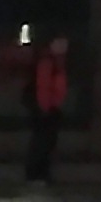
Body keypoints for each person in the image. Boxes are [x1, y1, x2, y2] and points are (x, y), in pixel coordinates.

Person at [25, 36, 70, 184]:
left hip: (52, 107)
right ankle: (36, 173)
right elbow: (43, 87)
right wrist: (45, 107)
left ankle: (40, 173)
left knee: (46, 142)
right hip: (46, 109)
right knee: (42, 142)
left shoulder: (55, 65)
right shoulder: (49, 64)